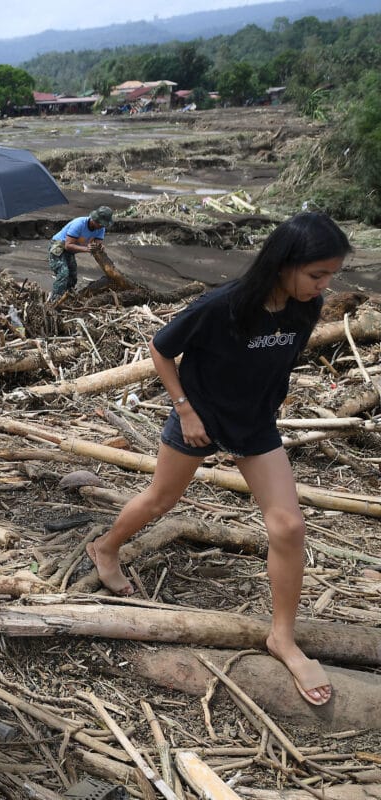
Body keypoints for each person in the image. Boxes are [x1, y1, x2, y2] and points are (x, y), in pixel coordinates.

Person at [87, 212, 350, 707]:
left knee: (289, 527)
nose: (324, 286)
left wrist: (271, 399)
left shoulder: (304, 308)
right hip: (200, 415)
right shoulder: (223, 305)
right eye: (317, 275)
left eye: (329, 276)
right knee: (161, 499)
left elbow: (279, 360)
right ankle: (105, 548)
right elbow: (161, 350)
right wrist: (184, 410)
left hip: (253, 424)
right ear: (284, 264)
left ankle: (282, 638)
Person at [47, 205, 113, 302]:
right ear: (94, 220)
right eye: (101, 224)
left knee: (73, 276)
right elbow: (68, 245)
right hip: (59, 246)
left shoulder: (101, 228)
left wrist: (99, 247)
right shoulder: (79, 224)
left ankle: (67, 296)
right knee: (63, 273)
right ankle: (55, 300)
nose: (102, 227)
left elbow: (97, 244)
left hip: (71, 250)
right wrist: (87, 248)